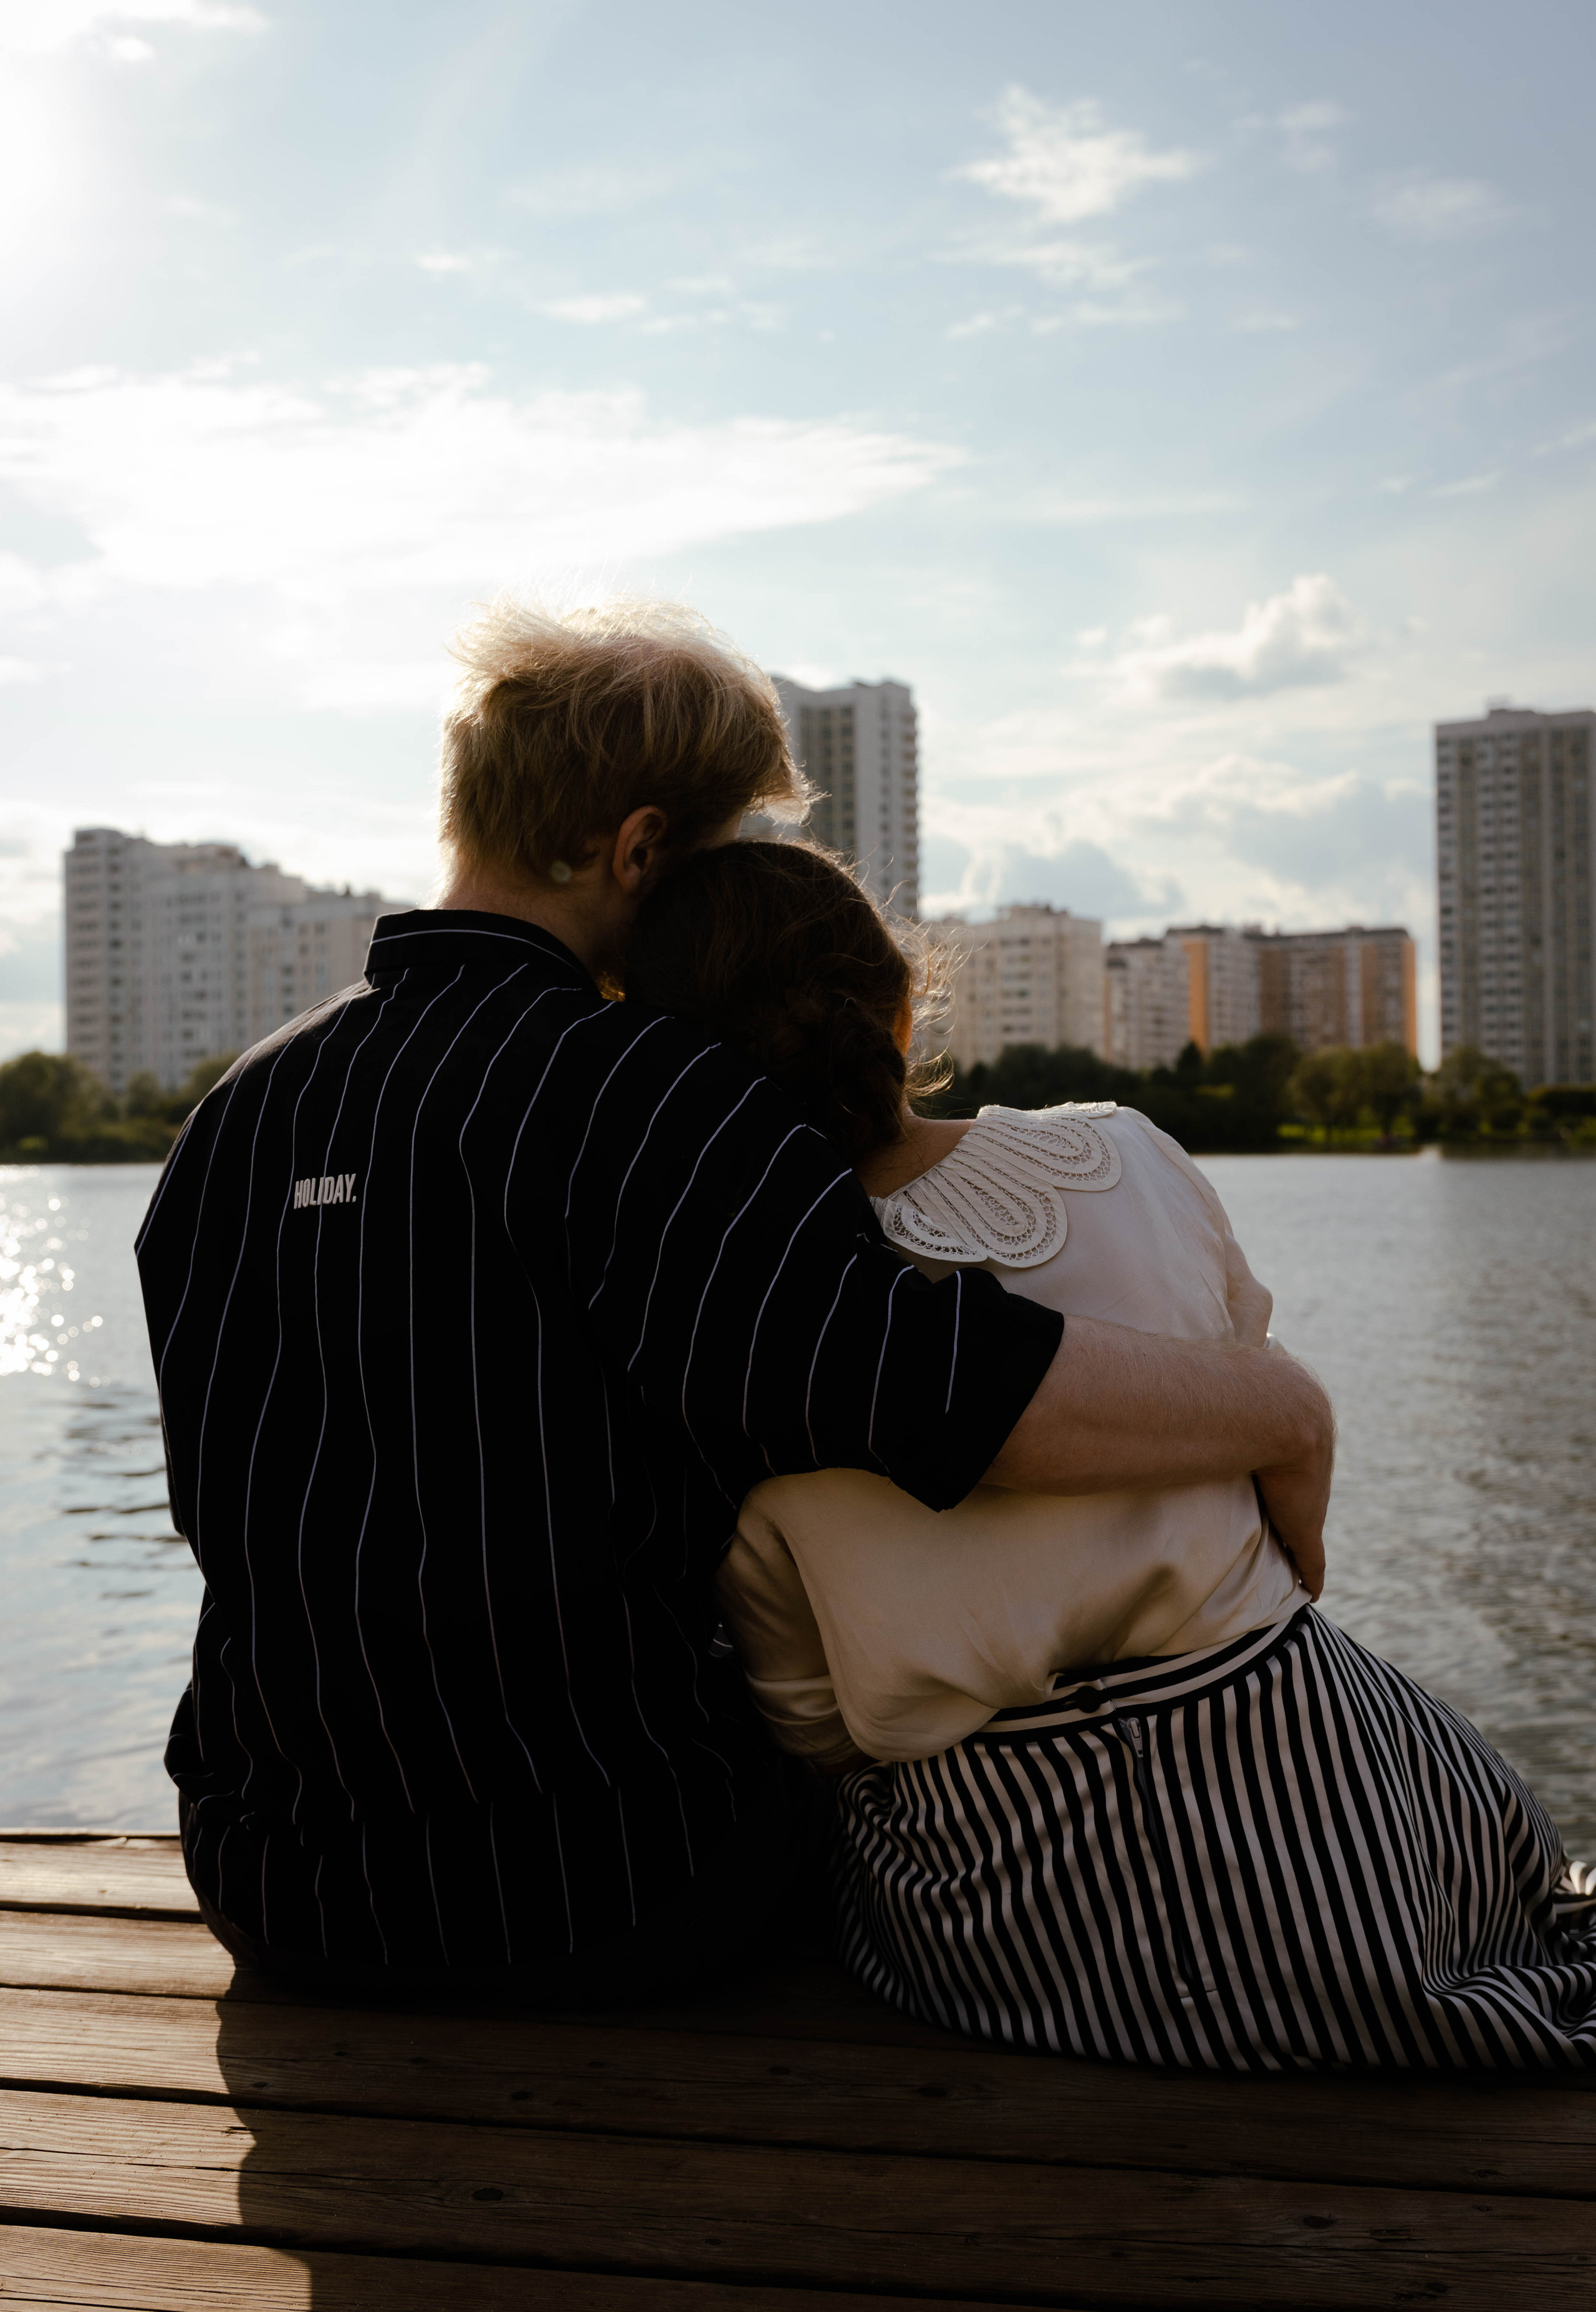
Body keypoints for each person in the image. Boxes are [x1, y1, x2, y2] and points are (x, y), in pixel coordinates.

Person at [136, 597, 1332, 2008]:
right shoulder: (637, 1093)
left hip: (280, 1891)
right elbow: (931, 1389)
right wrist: (1280, 1407)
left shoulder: (231, 1121)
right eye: (712, 860)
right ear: (640, 849)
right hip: (604, 1890)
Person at [625, 836, 1596, 2074]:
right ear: (901, 1002)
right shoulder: (1124, 1151)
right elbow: (1240, 1387)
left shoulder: (735, 1323)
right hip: (1322, 1813)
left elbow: (810, 1717)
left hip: (1000, 1925)